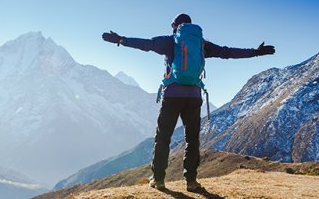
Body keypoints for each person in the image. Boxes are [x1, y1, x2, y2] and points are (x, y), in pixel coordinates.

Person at [101, 13, 275, 191]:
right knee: (192, 140)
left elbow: (147, 44)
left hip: (172, 96)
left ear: (175, 26)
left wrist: (121, 40)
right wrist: (256, 52)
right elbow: (227, 52)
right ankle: (191, 181)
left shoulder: (170, 41)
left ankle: (159, 179)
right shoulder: (202, 44)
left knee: (163, 138)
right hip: (194, 96)